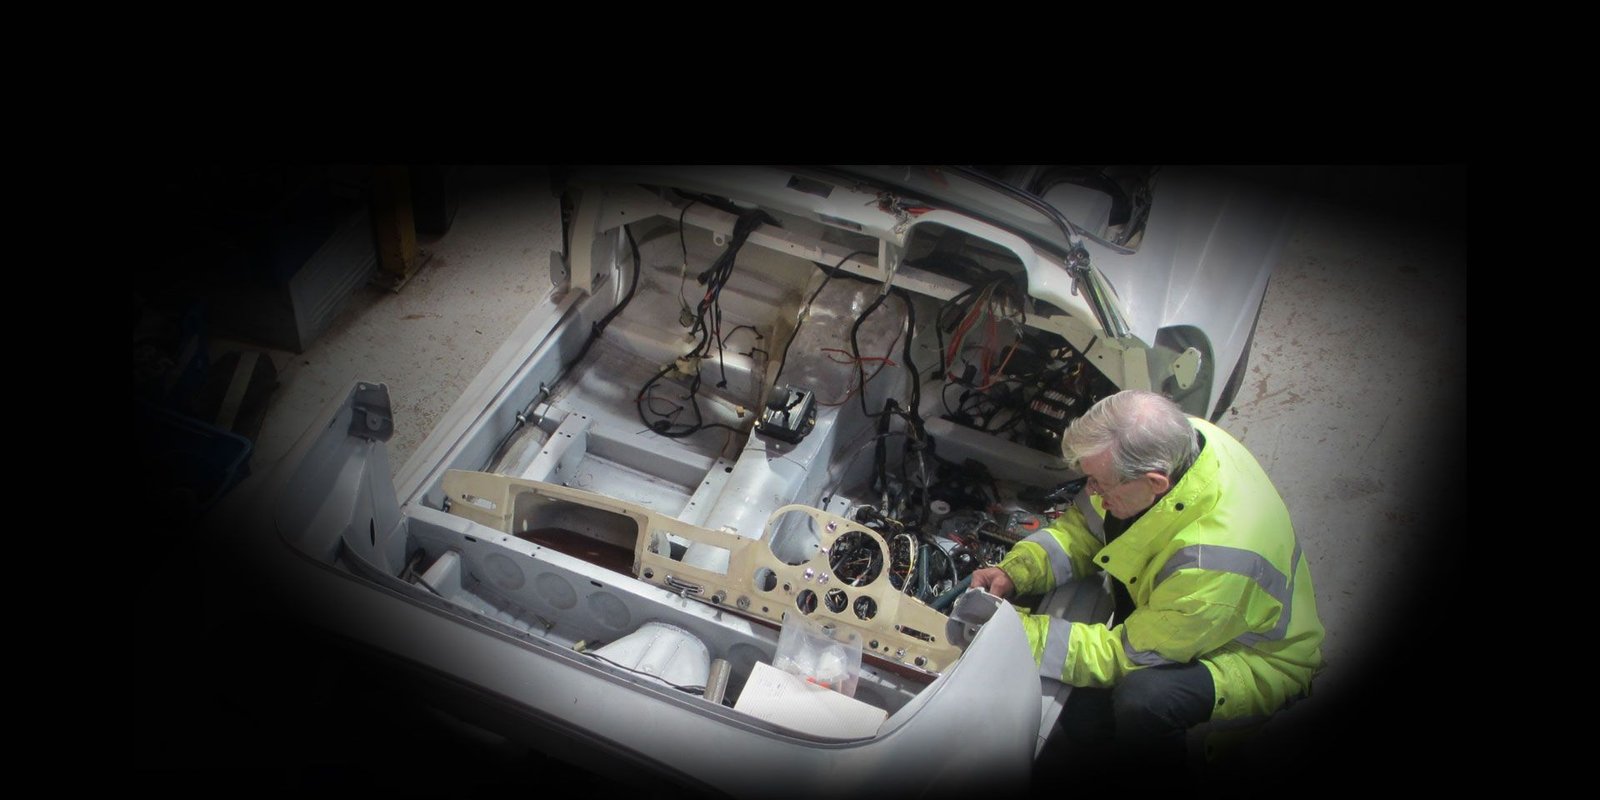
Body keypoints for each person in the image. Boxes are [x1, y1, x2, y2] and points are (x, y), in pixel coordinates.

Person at [970, 389, 1323, 779]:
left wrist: (1014, 632)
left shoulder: (1212, 562)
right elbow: (1084, 528)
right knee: (1083, 713)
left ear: (1156, 482)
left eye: (1100, 483)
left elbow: (1125, 655)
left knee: (1144, 700)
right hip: (1187, 616)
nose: (1091, 491)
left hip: (1255, 656)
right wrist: (1017, 571)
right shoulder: (1177, 441)